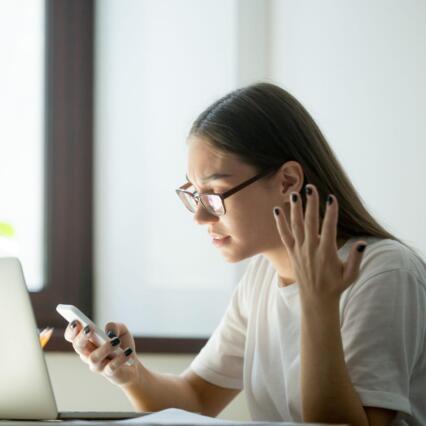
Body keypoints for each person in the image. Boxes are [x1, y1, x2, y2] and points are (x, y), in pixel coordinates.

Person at [65, 83, 426, 425]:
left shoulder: (384, 272)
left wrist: (318, 305)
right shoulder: (262, 276)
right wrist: (129, 374)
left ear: (287, 182)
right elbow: (196, 398)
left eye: (215, 194)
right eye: (194, 193)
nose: (200, 216)